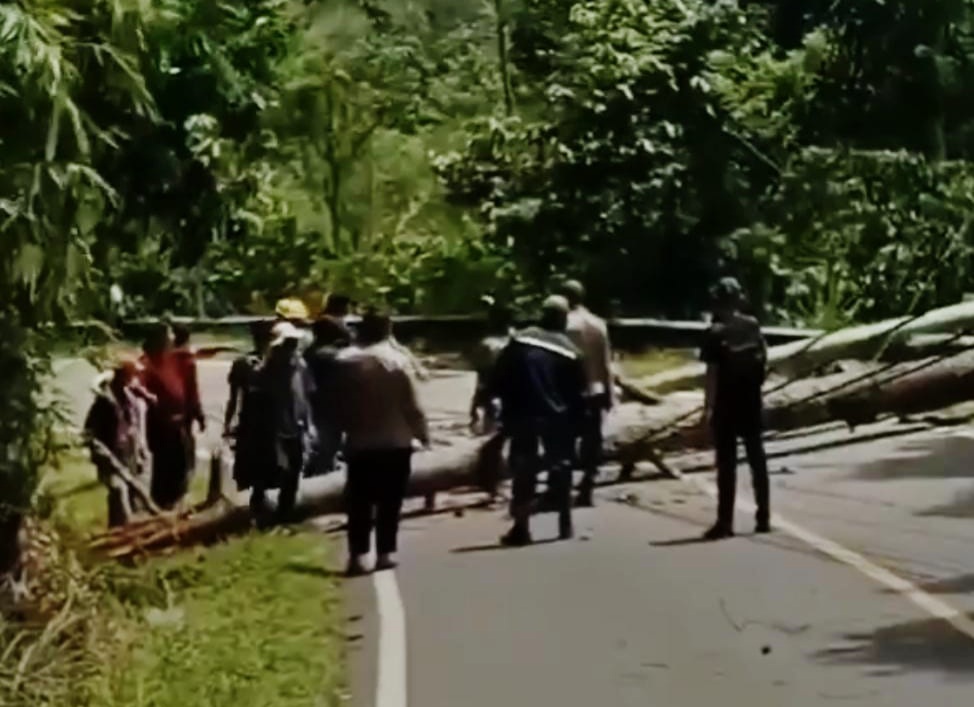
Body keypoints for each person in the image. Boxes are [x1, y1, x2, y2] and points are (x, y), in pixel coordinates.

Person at [335, 309, 430, 576]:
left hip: (359, 441)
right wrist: (423, 434)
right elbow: (412, 405)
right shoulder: (397, 362)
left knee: (359, 501)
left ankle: (357, 556)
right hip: (395, 440)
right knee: (391, 500)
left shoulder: (344, 362)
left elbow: (336, 404)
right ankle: (385, 553)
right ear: (388, 330)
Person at [491, 295, 587, 546]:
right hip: (557, 417)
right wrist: (578, 423)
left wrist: (492, 405)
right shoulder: (570, 351)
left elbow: (498, 377)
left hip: (522, 413)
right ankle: (565, 523)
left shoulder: (519, 341)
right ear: (563, 318)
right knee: (562, 465)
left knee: (523, 470)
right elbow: (579, 393)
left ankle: (521, 528)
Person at [699, 277, 771, 540]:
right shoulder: (753, 326)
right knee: (757, 460)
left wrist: (707, 409)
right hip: (751, 402)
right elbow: (764, 360)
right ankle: (763, 517)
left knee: (727, 465)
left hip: (726, 407)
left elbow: (712, 375)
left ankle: (724, 521)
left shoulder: (714, 333)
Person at [249, 321, 317, 526]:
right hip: (272, 429)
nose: (291, 348)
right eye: (287, 344)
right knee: (270, 470)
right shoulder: (266, 370)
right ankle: (259, 506)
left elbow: (305, 396)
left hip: (295, 427)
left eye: (293, 343)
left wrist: (309, 424)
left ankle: (285, 513)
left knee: (294, 470)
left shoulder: (300, 366)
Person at [559, 279, 615, 507]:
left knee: (564, 442)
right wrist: (610, 393)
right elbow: (605, 363)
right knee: (592, 442)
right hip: (595, 390)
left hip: (568, 391)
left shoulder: (564, 325)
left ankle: (561, 488)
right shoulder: (598, 324)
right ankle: (587, 485)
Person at [83, 361, 153, 526]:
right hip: (112, 456)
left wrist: (141, 450)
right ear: (122, 376)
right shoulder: (103, 403)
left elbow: (135, 428)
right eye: (132, 375)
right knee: (118, 490)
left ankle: (135, 530)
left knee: (136, 494)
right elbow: (89, 434)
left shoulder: (132, 399)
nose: (135, 379)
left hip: (131, 454)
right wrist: (101, 455)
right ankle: (118, 530)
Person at [140, 323, 194, 510]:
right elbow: (138, 384)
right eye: (169, 334)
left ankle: (176, 503)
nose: (173, 337)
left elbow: (194, 353)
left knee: (181, 465)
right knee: (165, 467)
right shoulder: (148, 363)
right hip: (161, 424)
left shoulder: (174, 359)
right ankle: (162, 506)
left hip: (178, 423)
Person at [224, 319, 274, 492]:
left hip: (252, 420)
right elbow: (234, 397)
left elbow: (233, 398)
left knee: (250, 466)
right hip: (262, 421)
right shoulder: (276, 362)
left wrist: (228, 422)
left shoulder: (242, 363)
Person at [304, 316, 351, 476]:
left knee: (324, 449)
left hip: (316, 406)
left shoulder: (309, 352)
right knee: (327, 450)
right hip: (329, 408)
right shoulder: (329, 355)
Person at [468, 296, 514, 435]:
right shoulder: (516, 340)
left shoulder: (487, 345)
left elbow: (481, 378)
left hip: (493, 392)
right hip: (512, 394)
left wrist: (474, 405)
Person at [171, 324, 206, 465]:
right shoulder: (188, 361)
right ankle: (187, 465)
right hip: (184, 408)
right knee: (186, 437)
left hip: (166, 407)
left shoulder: (164, 358)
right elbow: (192, 389)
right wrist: (199, 414)